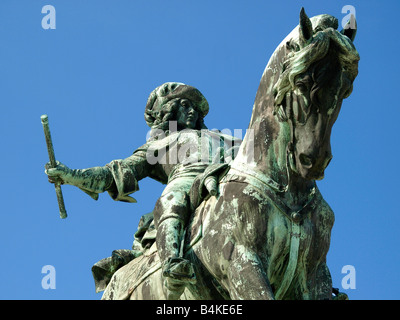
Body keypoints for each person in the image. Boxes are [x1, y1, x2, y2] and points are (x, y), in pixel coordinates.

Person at [45, 82, 240, 299]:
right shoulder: (158, 146)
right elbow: (114, 173)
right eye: (185, 105)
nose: (193, 110)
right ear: (170, 111)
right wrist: (72, 176)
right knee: (172, 199)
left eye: (195, 107)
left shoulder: (224, 138)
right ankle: (172, 264)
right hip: (186, 182)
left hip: (226, 178)